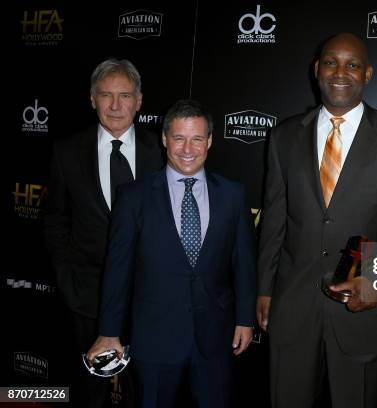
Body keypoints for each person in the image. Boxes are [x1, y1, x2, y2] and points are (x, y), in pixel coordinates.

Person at [257, 32, 377, 408]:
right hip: (292, 304)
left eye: (353, 65)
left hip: (361, 307)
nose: (340, 72)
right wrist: (265, 289)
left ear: (368, 74)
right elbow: (274, 219)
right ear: (317, 69)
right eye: (331, 62)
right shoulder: (284, 136)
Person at [87, 99, 257, 408]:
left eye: (196, 139)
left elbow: (244, 262)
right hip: (154, 336)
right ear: (165, 139)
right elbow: (118, 267)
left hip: (215, 337)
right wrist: (109, 331)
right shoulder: (134, 196)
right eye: (178, 138)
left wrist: (245, 318)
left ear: (209, 141)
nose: (187, 148)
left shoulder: (233, 194)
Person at [44, 58, 164, 408]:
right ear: (92, 99)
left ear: (139, 101)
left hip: (149, 298)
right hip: (87, 296)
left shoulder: (163, 151)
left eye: (125, 95)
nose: (115, 106)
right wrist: (68, 281)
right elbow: (55, 222)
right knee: (88, 392)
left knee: (143, 391)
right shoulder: (66, 152)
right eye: (106, 95)